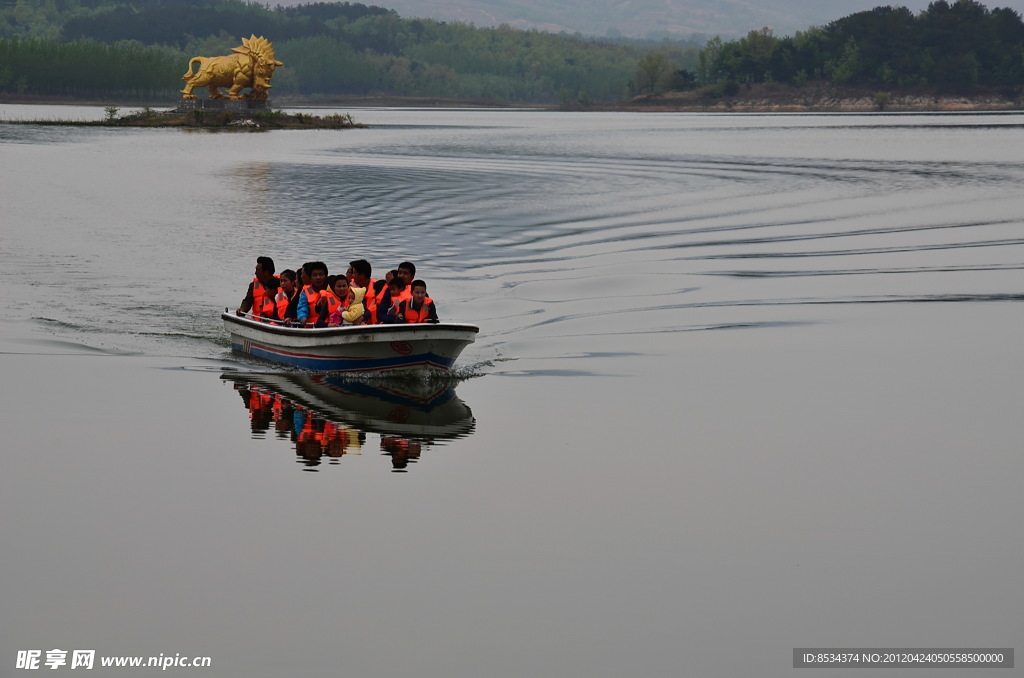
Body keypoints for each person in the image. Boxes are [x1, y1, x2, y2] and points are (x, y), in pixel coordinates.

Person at [296, 261, 329, 327]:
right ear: (310, 277)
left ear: (326, 276)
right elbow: (302, 307)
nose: (318, 277)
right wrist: (303, 317)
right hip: (312, 326)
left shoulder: (333, 290)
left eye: (321, 274)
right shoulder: (305, 292)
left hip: (330, 325)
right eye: (315, 275)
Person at [346, 259, 377, 323]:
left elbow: (379, 306)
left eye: (354, 273)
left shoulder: (378, 287)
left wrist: (364, 316)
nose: (352, 276)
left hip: (374, 322)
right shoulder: (349, 286)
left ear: (362, 275)